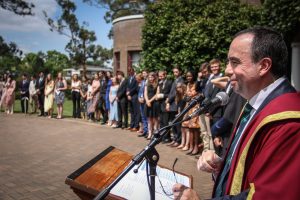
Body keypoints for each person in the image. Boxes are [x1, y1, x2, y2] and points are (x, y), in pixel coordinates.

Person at [173, 27, 300, 199]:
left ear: (263, 66)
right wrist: (224, 167)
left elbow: (268, 195)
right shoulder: (254, 105)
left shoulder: (288, 122)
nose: (227, 70)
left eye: (235, 62)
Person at [166, 66, 184, 147]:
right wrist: (168, 102)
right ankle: (175, 139)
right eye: (174, 72)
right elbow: (171, 92)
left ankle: (178, 140)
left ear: (180, 72)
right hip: (172, 104)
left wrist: (168, 101)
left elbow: (175, 93)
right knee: (173, 123)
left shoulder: (181, 80)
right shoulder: (175, 80)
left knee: (177, 123)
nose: (175, 73)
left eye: (176, 72)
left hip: (177, 104)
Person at [156, 70, 173, 143]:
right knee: (161, 122)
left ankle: (167, 137)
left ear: (165, 75)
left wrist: (163, 95)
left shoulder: (169, 82)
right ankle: (162, 137)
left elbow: (171, 94)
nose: (160, 77)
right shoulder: (159, 83)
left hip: (166, 104)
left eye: (161, 76)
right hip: (160, 104)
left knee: (166, 122)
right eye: (159, 76)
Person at [144, 72, 160, 140]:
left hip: (154, 103)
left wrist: (150, 101)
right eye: (149, 77)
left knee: (155, 119)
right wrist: (147, 101)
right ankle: (150, 133)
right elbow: (145, 93)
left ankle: (155, 134)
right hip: (148, 103)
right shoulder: (147, 84)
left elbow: (157, 94)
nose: (150, 78)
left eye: (152, 77)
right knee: (149, 119)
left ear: (154, 77)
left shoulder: (157, 84)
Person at [126, 67, 140, 131]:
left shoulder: (136, 78)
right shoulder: (128, 78)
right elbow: (127, 87)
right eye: (129, 71)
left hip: (135, 96)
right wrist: (127, 93)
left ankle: (136, 126)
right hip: (129, 97)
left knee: (136, 112)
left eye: (131, 71)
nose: (130, 72)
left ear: (133, 71)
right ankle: (131, 125)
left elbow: (135, 87)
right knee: (131, 112)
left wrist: (130, 93)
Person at [137, 70, 149, 137]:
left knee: (146, 116)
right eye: (143, 73)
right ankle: (144, 131)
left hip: (145, 101)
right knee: (143, 116)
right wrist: (139, 98)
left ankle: (147, 131)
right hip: (141, 101)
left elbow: (147, 92)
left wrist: (144, 98)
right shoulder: (143, 81)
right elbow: (140, 91)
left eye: (145, 73)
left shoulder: (148, 81)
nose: (143, 74)